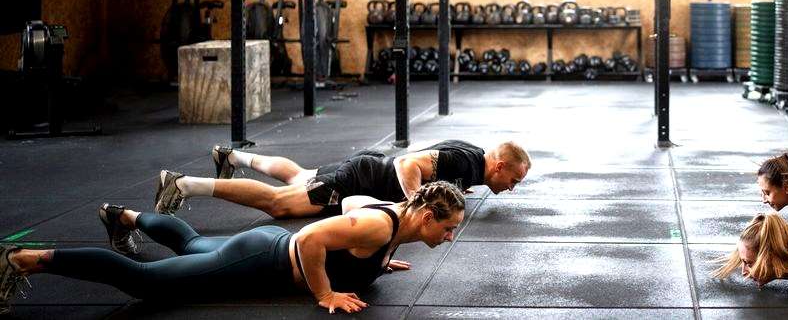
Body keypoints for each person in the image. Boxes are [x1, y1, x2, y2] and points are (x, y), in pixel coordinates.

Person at [1, 182, 466, 315]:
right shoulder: (377, 227)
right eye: (448, 228)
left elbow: (349, 210)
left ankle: (124, 216)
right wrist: (325, 293)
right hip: (261, 258)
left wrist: (376, 264)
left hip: (261, 245)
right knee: (145, 283)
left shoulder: (394, 221)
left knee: (193, 242)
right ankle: (23, 261)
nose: (449, 237)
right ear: (427, 216)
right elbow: (309, 238)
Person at [153, 140, 529, 219]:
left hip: (365, 171)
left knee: (301, 176)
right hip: (361, 180)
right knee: (279, 203)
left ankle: (232, 157)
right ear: (498, 166)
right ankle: (183, 184)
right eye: (513, 180)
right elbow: (407, 164)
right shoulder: (465, 162)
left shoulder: (473, 164)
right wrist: (416, 203)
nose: (511, 188)